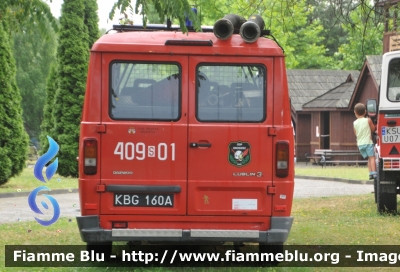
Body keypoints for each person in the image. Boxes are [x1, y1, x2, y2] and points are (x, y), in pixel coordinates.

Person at [353, 103, 376, 179]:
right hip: (368, 143)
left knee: (369, 159)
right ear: (365, 112)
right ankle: (374, 173)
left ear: (355, 112)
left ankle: (370, 174)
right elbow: (373, 129)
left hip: (360, 144)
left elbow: (356, 133)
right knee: (372, 158)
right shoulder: (368, 120)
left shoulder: (355, 123)